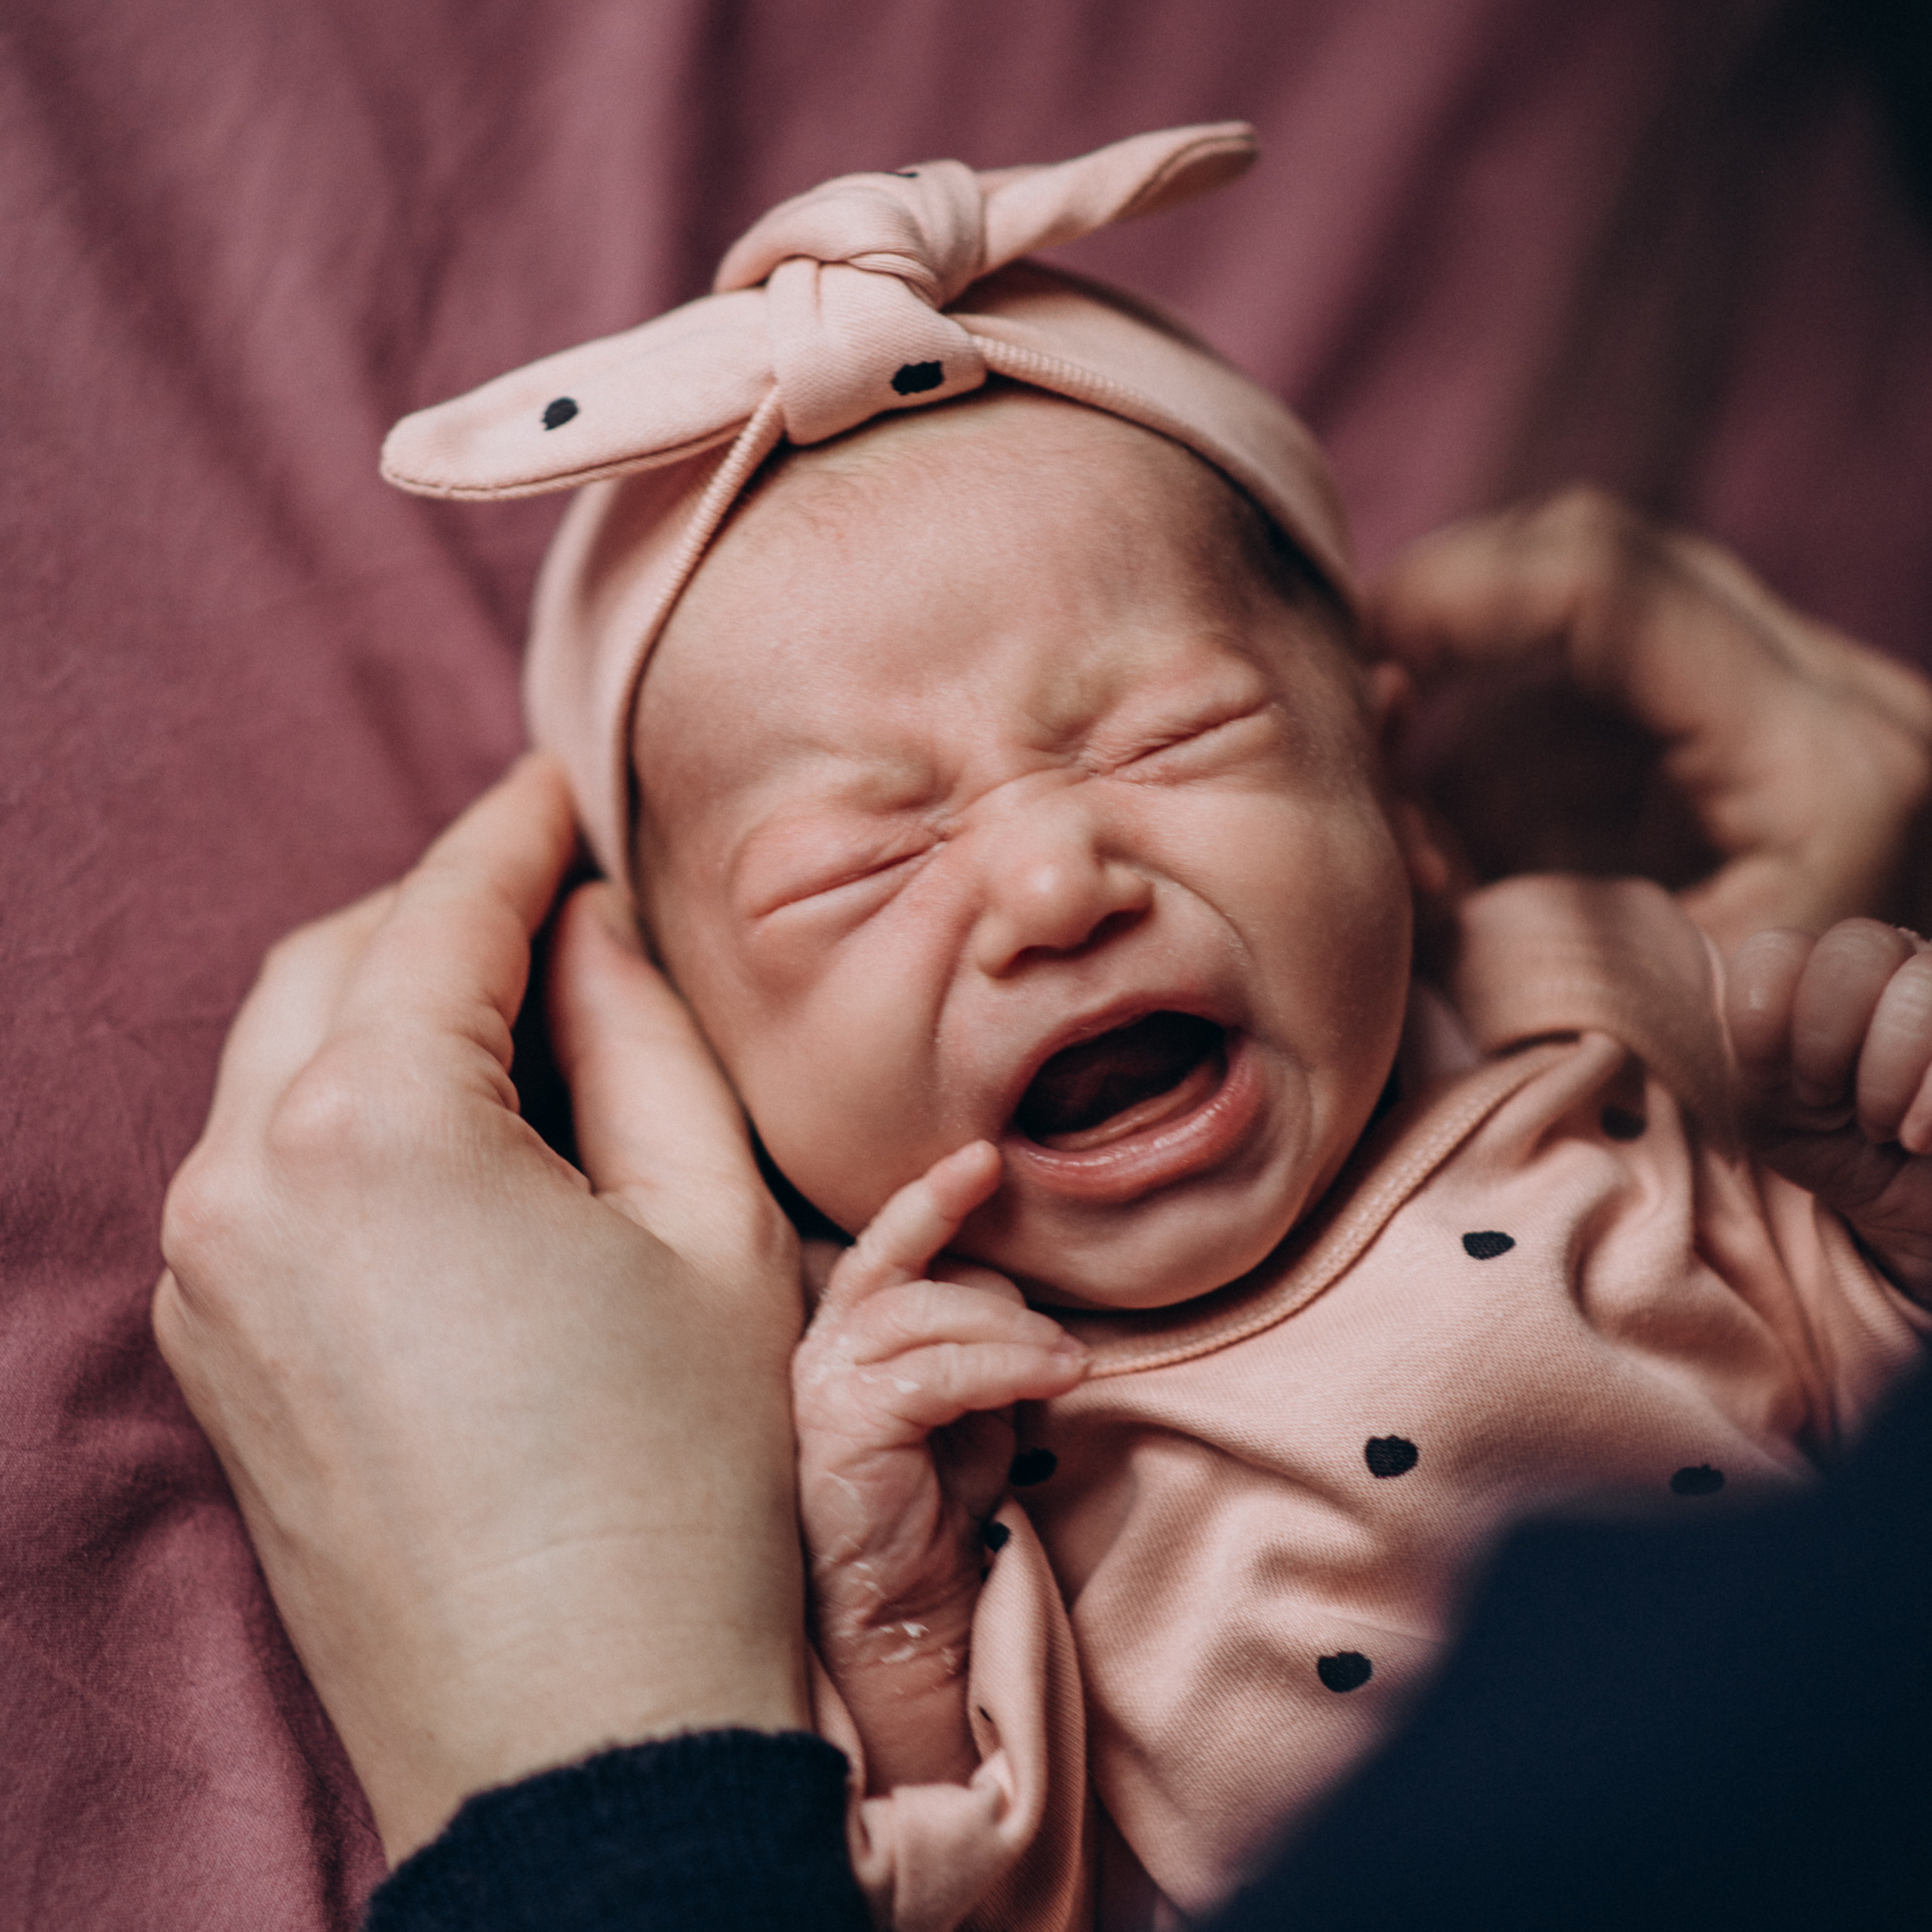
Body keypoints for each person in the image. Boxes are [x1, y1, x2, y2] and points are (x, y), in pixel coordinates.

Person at [355, 125, 1932, 1926]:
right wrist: (891, 1632)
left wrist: (1885, 1211)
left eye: (1170, 737)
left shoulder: (1593, 1021)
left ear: (1401, 800)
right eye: (853, 865)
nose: (1051, 881)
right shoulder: (888, 1439)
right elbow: (949, 1885)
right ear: (703, 1077)